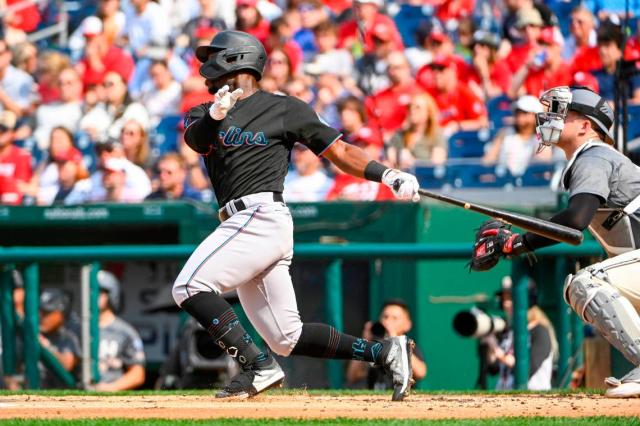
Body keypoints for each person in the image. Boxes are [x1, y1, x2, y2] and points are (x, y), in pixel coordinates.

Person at [173, 30, 420, 401]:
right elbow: (196, 141)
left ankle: (258, 367)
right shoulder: (202, 112)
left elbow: (338, 152)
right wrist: (215, 114)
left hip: (261, 215)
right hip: (240, 223)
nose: (206, 65)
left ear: (236, 59)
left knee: (189, 286)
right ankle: (384, 352)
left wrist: (387, 174)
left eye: (214, 56)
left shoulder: (284, 108)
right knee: (287, 337)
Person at [470, 86, 640, 398]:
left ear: (585, 126)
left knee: (587, 283)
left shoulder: (594, 155)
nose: (551, 118)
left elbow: (575, 221)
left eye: (562, 112)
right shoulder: (592, 158)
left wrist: (518, 243)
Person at [487, 278, 558, 390]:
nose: (506, 303)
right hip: (503, 399)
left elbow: (526, 370)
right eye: (505, 299)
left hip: (533, 400)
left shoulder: (540, 331)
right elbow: (493, 370)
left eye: (511, 298)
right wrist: (490, 348)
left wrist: (498, 351)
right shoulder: (509, 330)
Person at [346, 300, 427, 389]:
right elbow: (352, 376)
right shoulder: (374, 345)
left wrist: (395, 339)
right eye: (385, 317)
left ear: (407, 325)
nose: (388, 321)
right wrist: (364, 341)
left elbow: (420, 373)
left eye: (394, 318)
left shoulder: (409, 346)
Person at [92, 270, 146, 391]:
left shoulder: (124, 331)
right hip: (77, 396)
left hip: (112, 397)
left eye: (99, 291)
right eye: (91, 291)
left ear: (111, 295)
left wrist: (108, 388)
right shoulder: (78, 329)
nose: (93, 295)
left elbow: (138, 375)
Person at [482, 95, 554, 177]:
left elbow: (543, 164)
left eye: (525, 113)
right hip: (503, 181)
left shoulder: (543, 138)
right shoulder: (504, 133)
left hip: (529, 184)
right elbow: (488, 160)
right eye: (518, 112)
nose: (520, 116)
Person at [387, 93, 447, 169]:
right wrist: (397, 157)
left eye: (417, 108)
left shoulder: (436, 134)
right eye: (410, 107)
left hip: (426, 179)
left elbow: (437, 165)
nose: (412, 110)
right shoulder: (400, 134)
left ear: (428, 113)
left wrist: (414, 163)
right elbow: (390, 160)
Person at [38, 288, 81, 389]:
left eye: (47, 313)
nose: (41, 317)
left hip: (67, 396)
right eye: (41, 312)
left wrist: (45, 346)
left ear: (61, 312)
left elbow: (67, 364)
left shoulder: (73, 329)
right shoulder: (40, 329)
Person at [0, 110, 32, 205]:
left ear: (13, 133)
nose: (0, 133)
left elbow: (19, 187)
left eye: (3, 129)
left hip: (11, 207)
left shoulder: (21, 156)